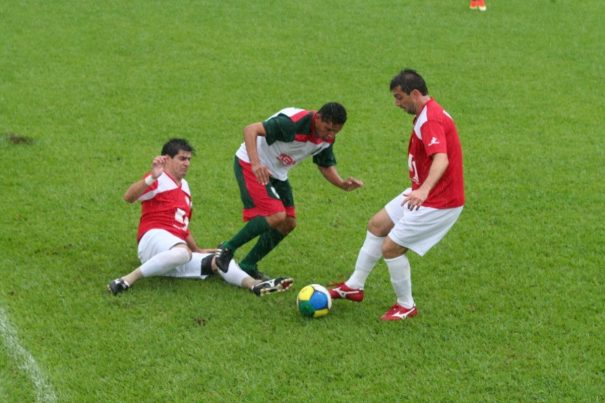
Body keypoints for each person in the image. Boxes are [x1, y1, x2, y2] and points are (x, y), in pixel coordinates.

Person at [329, 69, 464, 320]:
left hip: (439, 200)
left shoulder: (431, 119)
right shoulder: (427, 113)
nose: (397, 104)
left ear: (415, 93)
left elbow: (441, 159)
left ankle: (406, 305)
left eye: (399, 97)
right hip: (422, 191)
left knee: (391, 247)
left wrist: (424, 190)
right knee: (378, 224)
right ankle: (354, 286)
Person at [107, 138, 293, 296]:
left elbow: (183, 227)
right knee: (182, 252)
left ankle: (254, 285)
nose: (187, 163)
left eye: (188, 159)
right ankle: (127, 280)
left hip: (172, 250)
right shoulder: (159, 178)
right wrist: (151, 177)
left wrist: (198, 249)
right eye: (182, 158)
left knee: (219, 259)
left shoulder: (185, 187)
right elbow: (129, 197)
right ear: (166, 159)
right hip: (152, 239)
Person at [215, 103, 364, 280]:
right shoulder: (292, 123)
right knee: (276, 214)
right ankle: (226, 248)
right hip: (250, 163)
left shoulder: (327, 138)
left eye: (335, 132)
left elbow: (324, 164)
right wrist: (255, 164)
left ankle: (248, 265)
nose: (330, 135)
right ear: (317, 118)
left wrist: (341, 183)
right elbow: (250, 129)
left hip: (278, 172)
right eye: (328, 129)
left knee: (288, 223)